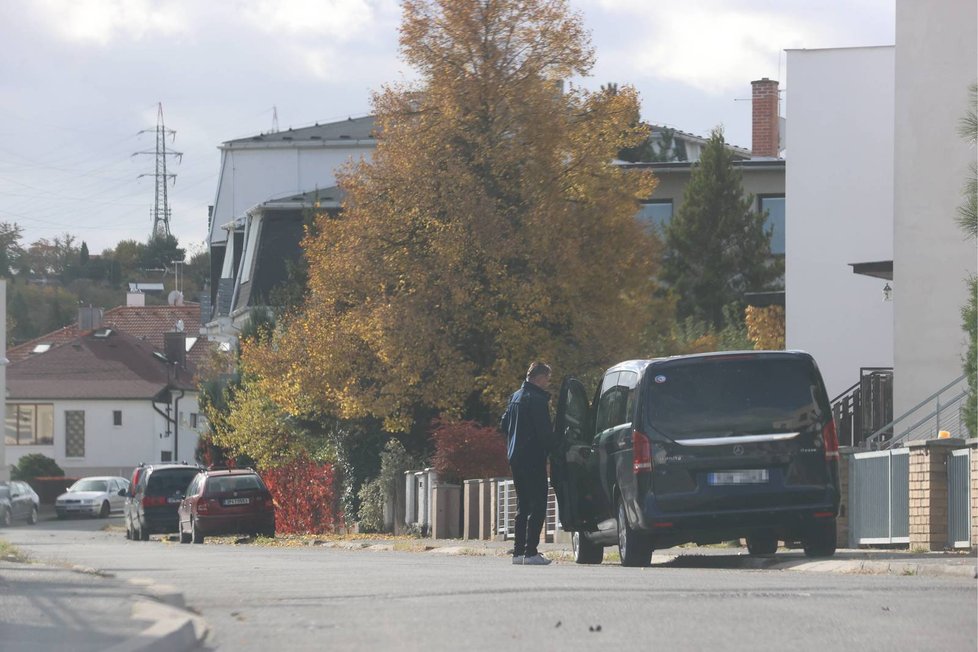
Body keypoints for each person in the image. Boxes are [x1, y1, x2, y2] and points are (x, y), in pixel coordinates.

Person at [500, 361, 554, 566]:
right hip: (533, 456)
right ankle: (531, 552)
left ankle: (518, 552)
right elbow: (544, 433)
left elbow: (503, 424)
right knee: (539, 503)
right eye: (547, 378)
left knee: (522, 505)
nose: (548, 382)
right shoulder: (537, 399)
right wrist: (555, 451)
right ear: (540, 377)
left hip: (515, 457)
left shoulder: (515, 397)